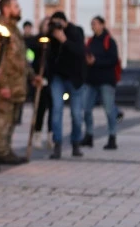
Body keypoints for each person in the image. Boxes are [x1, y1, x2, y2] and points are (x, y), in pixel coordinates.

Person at [0, 0, 29, 164]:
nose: (19, 9)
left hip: (17, 83)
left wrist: (33, 75)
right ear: (6, 9)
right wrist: (2, 84)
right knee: (2, 118)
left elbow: (20, 57)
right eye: (16, 6)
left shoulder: (15, 30)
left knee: (12, 119)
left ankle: (7, 148)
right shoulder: (0, 29)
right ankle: (0, 150)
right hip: (5, 84)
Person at [44, 11, 86, 158]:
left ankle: (76, 143)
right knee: (56, 110)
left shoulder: (76, 31)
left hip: (75, 79)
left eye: (58, 23)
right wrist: (46, 31)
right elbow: (40, 45)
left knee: (76, 114)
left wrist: (64, 40)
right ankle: (57, 144)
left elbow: (80, 51)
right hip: (58, 78)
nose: (56, 26)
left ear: (63, 21)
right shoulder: (51, 35)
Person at [83, 16, 121, 150]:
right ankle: (89, 135)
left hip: (106, 81)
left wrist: (96, 61)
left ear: (102, 25)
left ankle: (112, 137)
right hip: (91, 81)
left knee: (109, 110)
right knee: (86, 109)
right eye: (91, 24)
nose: (93, 26)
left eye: (95, 24)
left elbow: (113, 60)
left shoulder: (109, 41)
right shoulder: (90, 41)